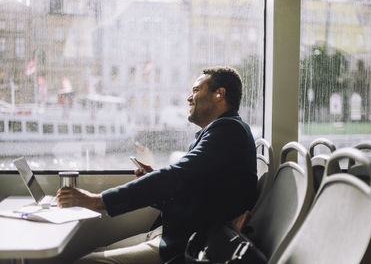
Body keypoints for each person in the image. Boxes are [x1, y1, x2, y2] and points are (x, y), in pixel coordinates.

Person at [56, 66, 258, 264]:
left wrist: (97, 201)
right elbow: (190, 193)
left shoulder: (229, 130)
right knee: (95, 252)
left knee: (88, 261)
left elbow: (175, 177)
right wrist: (154, 184)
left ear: (219, 94)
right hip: (171, 232)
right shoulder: (216, 133)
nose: (189, 97)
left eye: (196, 90)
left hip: (189, 242)